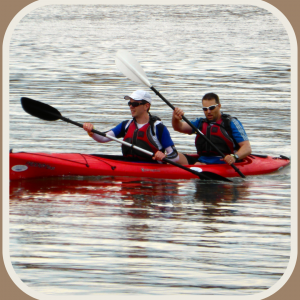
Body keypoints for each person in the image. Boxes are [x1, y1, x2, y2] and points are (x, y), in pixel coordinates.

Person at [83, 90, 187, 164]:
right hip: (129, 164)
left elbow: (175, 155)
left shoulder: (158, 128)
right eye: (130, 103)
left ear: (146, 106)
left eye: (135, 104)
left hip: (152, 171)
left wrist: (164, 157)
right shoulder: (126, 125)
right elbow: (103, 138)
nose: (131, 106)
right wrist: (91, 131)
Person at [172, 92, 251, 165]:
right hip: (202, 161)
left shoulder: (231, 123)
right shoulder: (199, 122)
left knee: (198, 165)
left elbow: (247, 147)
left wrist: (234, 157)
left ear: (219, 106)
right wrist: (175, 117)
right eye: (205, 109)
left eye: (212, 108)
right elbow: (179, 127)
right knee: (173, 156)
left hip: (224, 162)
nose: (208, 111)